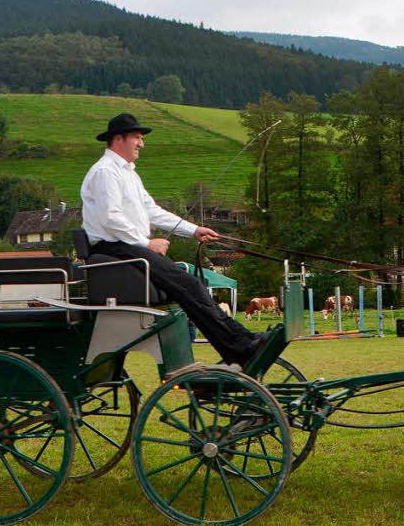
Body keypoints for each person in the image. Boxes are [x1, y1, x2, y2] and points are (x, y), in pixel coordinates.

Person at [80, 113, 270, 365]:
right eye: (137, 138)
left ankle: (241, 342)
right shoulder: (105, 172)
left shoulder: (128, 174)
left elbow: (153, 211)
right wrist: (145, 242)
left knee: (191, 283)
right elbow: (110, 218)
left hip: (126, 247)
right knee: (189, 285)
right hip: (115, 249)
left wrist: (194, 230)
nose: (141, 144)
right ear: (118, 139)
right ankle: (241, 347)